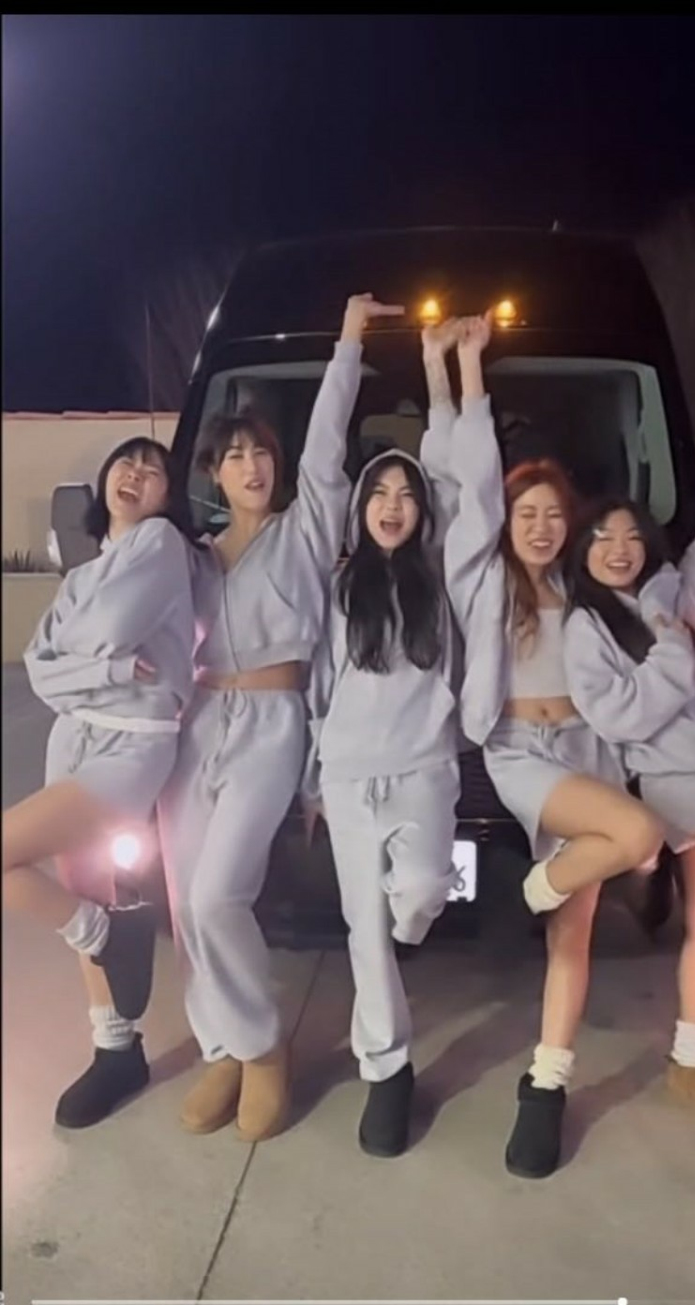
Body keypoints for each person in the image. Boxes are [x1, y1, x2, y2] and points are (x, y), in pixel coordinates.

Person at [159, 294, 403, 1143]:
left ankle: (263, 1046)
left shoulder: (303, 533)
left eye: (261, 451)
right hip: (198, 724)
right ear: (213, 474)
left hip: (272, 720)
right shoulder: (191, 557)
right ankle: (221, 1044)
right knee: (185, 902)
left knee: (219, 893)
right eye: (235, 456)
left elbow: (329, 448)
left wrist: (348, 343)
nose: (252, 465)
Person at [442, 314, 663, 1178]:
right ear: (505, 520)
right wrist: (468, 368)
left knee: (577, 933)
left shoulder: (584, 586)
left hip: (588, 747)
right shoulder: (483, 578)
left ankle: (546, 1084)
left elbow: (647, 580)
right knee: (635, 836)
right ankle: (524, 891)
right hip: (522, 751)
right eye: (525, 513)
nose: (539, 526)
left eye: (552, 515)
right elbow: (470, 478)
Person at [4, 437, 198, 1128]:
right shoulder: (83, 573)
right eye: (126, 462)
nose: (136, 473)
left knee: (29, 866)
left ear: (167, 495)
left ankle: (99, 933)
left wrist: (89, 658)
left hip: (131, 743)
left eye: (153, 469)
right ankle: (116, 1048)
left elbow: (107, 630)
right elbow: (40, 666)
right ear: (104, 478)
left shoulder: (161, 545)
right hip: (74, 735)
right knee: (84, 884)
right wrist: (109, 668)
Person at [306, 318, 463, 1158]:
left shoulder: (441, 578)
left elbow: (453, 470)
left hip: (424, 769)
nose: (393, 505)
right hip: (348, 775)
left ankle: (411, 933)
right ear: (361, 508)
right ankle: (387, 1069)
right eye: (379, 494)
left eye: (406, 494)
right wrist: (312, 780)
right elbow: (320, 687)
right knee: (362, 928)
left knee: (422, 892)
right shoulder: (340, 588)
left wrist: (439, 369)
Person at [564, 429, 695, 1131]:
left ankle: (693, 1063)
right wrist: (671, 649)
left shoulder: (678, 593)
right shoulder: (587, 627)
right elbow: (623, 715)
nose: (619, 548)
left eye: (631, 536)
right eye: (602, 537)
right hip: (674, 784)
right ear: (583, 551)